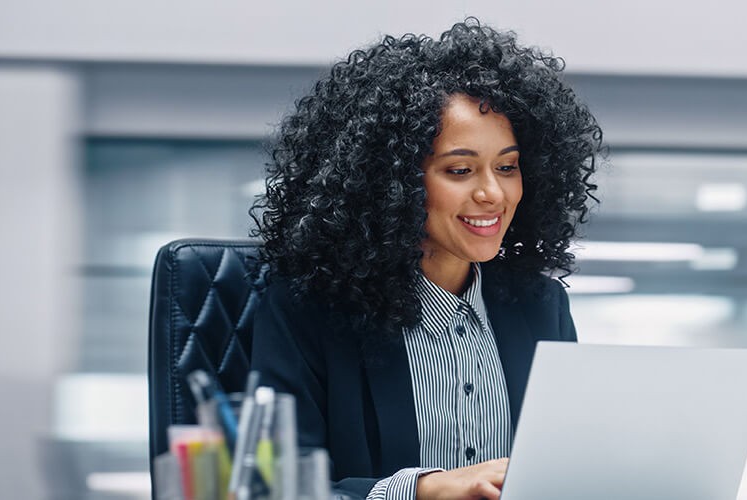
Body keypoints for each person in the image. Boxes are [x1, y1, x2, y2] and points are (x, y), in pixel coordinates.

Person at [249, 18, 604, 500]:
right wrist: (422, 490)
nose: (492, 193)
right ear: (389, 181)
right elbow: (275, 488)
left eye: (507, 167)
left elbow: (570, 468)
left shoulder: (540, 305)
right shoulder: (307, 309)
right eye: (460, 169)